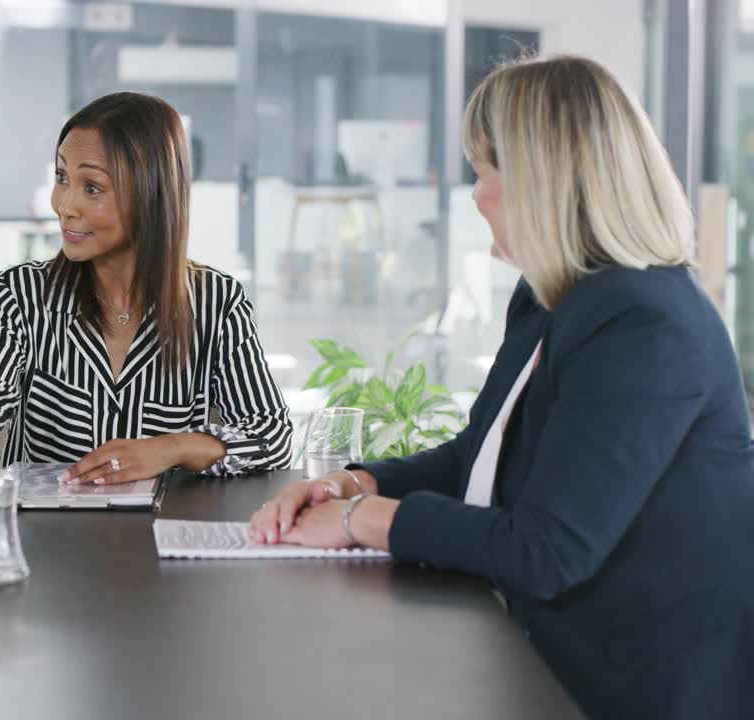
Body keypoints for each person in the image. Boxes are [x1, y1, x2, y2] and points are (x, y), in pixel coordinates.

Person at [250, 55, 754, 718]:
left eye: (485, 171)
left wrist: (358, 522)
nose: (476, 195)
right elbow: (478, 459)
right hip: (543, 659)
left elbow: (548, 550)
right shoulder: (556, 298)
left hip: (636, 687)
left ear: (541, 180)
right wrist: (356, 483)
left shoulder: (646, 323)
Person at [0, 92, 292, 483]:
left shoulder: (217, 303)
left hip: (162, 535)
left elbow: (272, 436)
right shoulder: (22, 294)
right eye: (62, 178)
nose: (64, 205)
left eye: (91, 187)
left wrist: (172, 448)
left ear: (150, 195)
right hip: (45, 537)